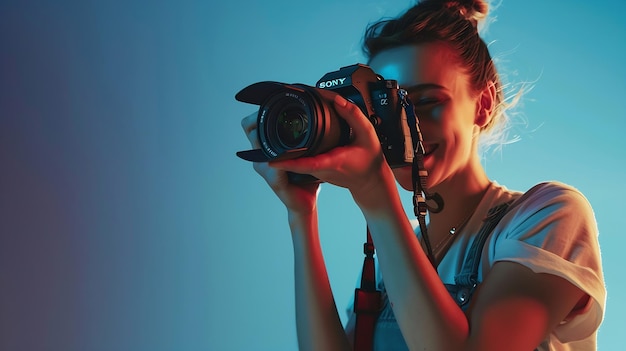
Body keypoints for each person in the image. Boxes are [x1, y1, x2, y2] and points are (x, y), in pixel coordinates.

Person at [240, 0, 606, 350]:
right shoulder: (393, 255)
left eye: (427, 103)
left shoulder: (549, 216)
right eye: (384, 109)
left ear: (483, 104)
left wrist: (376, 194)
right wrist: (301, 215)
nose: (405, 128)